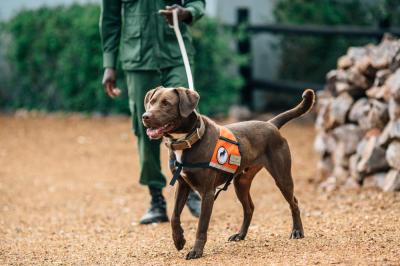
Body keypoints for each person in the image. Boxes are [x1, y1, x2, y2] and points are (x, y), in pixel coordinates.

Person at [100, 0, 205, 224]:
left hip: (176, 53)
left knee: (187, 117)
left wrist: (187, 12)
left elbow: (197, 2)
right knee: (146, 126)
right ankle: (156, 199)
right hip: (138, 61)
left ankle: (191, 186)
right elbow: (110, 18)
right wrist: (109, 64)